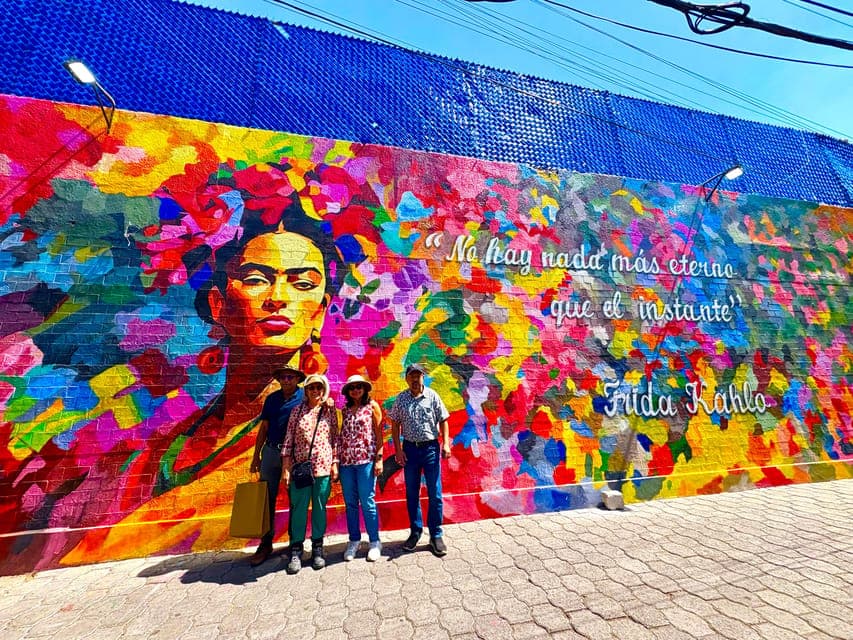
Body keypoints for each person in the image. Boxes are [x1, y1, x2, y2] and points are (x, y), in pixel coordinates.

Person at [389, 364, 451, 557]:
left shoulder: (432, 396)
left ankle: (436, 534)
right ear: (406, 379)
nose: (415, 379)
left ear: (423, 377)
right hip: (410, 450)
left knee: (435, 493)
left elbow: (444, 419)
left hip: (431, 449)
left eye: (418, 376)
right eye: (411, 376)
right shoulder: (401, 399)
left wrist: (446, 444)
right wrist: (398, 450)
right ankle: (415, 532)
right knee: (412, 493)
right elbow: (395, 424)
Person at [247, 364, 305, 567]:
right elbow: (264, 428)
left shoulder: (306, 396)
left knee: (296, 500)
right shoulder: (272, 400)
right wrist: (256, 457)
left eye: (290, 377)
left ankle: (295, 543)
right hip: (271, 452)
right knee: (266, 500)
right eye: (283, 377)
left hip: (296, 455)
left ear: (297, 379)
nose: (286, 380)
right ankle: (265, 543)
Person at [282, 373, 339, 573]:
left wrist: (335, 463)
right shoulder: (297, 412)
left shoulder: (329, 411)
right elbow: (289, 439)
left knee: (320, 507)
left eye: (319, 388)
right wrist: (286, 468)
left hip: (323, 467)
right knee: (298, 507)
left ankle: (317, 547)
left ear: (324, 390)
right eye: (312, 388)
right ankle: (296, 549)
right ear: (306, 390)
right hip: (301, 468)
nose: (316, 391)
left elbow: (334, 438)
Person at [338, 374, 384, 562]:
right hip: (347, 462)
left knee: (367, 501)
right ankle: (354, 540)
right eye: (352, 387)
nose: (355, 389)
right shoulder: (346, 409)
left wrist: (379, 458)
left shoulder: (372, 407)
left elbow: (379, 433)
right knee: (350, 503)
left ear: (365, 389)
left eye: (359, 386)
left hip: (366, 461)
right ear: (348, 391)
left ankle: (375, 541)